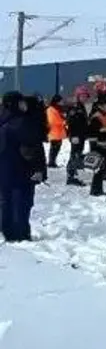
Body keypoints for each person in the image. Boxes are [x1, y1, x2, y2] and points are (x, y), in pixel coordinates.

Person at [0, 91, 46, 242]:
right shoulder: (22, 123)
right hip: (22, 171)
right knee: (21, 204)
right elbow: (33, 148)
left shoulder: (3, 120)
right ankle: (21, 235)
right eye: (21, 102)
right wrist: (38, 169)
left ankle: (8, 232)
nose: (24, 105)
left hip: (4, 172)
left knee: (6, 203)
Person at [64, 86, 91, 187]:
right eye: (82, 96)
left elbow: (83, 122)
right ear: (78, 96)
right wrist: (73, 136)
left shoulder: (81, 106)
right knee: (74, 155)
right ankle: (71, 176)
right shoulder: (74, 108)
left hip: (81, 136)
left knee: (78, 154)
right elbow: (70, 123)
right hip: (76, 136)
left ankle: (74, 173)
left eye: (86, 96)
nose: (84, 98)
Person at [46, 94, 67, 168]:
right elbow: (52, 121)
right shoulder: (51, 109)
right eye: (61, 101)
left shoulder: (57, 109)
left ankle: (52, 162)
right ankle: (51, 162)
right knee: (54, 148)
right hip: (54, 132)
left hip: (58, 132)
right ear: (57, 101)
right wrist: (63, 122)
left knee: (56, 148)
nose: (62, 102)